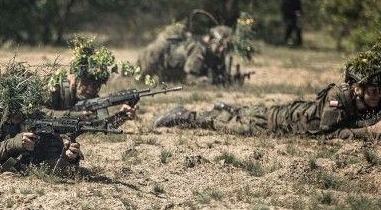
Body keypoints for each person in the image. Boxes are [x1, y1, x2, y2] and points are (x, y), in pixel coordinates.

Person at [154, 42, 381, 141]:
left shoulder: (370, 101)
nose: (377, 96)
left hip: (290, 113)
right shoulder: (338, 96)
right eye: (373, 91)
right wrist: (368, 132)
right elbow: (327, 132)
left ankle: (229, 109)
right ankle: (185, 115)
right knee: (234, 126)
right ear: (358, 88)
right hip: (282, 121)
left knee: (248, 114)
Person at [137, 22, 234, 85]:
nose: (222, 50)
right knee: (140, 81)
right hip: (152, 61)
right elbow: (190, 78)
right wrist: (210, 81)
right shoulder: (199, 49)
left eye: (225, 47)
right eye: (220, 45)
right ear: (212, 40)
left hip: (167, 72)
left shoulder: (214, 54)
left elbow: (220, 74)